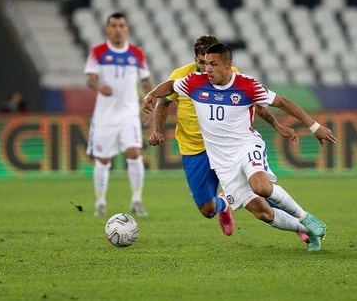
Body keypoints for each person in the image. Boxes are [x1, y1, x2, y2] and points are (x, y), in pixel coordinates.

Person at [143, 43, 337, 251]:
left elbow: (282, 102)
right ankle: (308, 231)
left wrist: (314, 126)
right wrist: (151, 94)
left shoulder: (247, 86)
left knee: (261, 187)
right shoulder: (194, 82)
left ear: (228, 65)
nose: (207, 69)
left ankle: (306, 218)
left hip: (246, 146)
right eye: (206, 64)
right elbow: (171, 86)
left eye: (213, 64)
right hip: (222, 161)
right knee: (263, 213)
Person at [84, 12, 154, 217]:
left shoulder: (136, 54)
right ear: (107, 29)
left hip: (129, 113)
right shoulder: (98, 52)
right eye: (113, 25)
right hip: (104, 116)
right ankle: (100, 201)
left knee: (134, 153)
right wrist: (98, 86)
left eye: (121, 25)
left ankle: (137, 199)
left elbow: (145, 81)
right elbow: (90, 78)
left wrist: (151, 103)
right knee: (103, 160)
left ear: (127, 29)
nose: (117, 29)